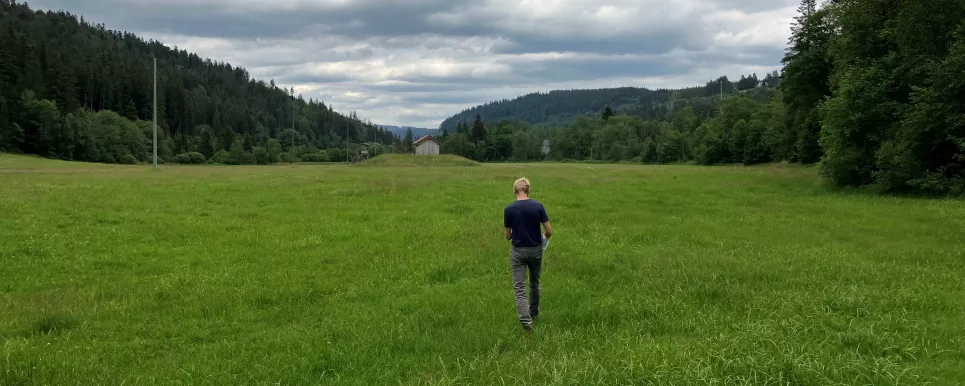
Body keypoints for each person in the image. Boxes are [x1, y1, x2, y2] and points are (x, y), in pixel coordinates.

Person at [503, 177, 552, 331]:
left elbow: (507, 236)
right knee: (535, 283)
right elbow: (549, 230)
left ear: (515, 191)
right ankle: (534, 312)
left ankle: (526, 321)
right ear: (528, 189)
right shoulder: (538, 206)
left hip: (518, 251)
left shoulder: (509, 209)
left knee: (519, 287)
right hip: (536, 250)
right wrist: (544, 237)